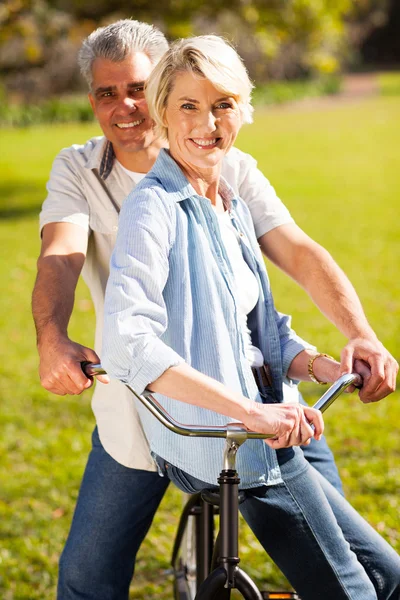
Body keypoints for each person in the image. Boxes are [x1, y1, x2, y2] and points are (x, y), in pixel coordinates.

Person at [31, 19, 398, 599]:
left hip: (255, 405)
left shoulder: (227, 181)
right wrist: (51, 336)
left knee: (356, 562)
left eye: (136, 88)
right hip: (151, 404)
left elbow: (291, 262)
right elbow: (61, 255)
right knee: (87, 579)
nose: (125, 106)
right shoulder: (97, 178)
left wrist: (350, 343)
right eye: (106, 93)